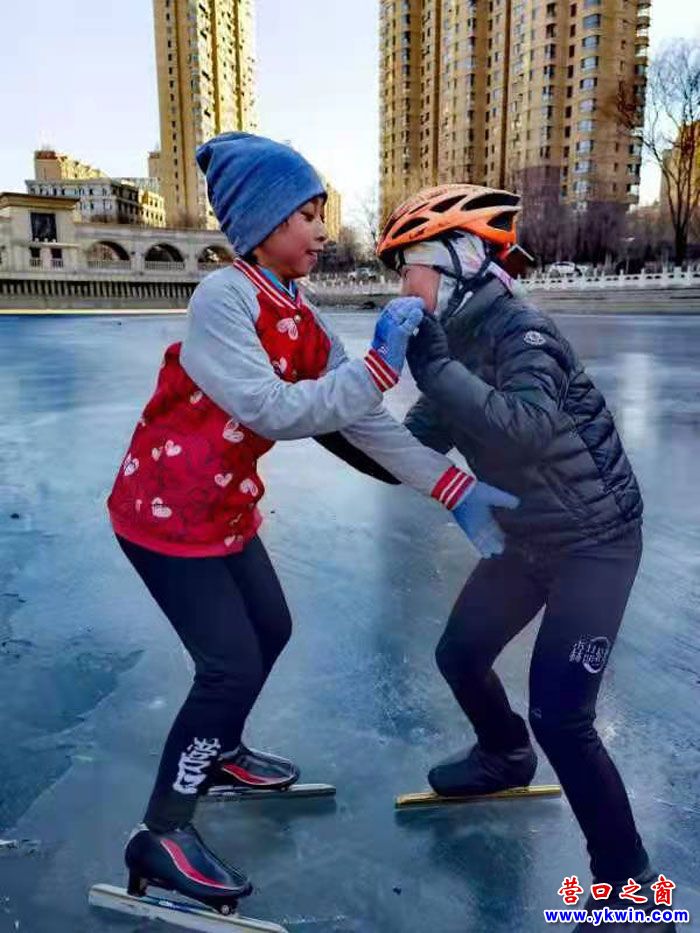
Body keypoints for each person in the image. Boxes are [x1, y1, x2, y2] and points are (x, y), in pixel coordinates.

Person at [106, 137, 517, 910]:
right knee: (227, 664)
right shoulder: (222, 300)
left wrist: (453, 486)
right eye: (306, 213)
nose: (322, 230)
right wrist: (376, 367)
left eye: (322, 212)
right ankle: (161, 830)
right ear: (262, 223)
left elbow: (362, 421)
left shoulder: (301, 313)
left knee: (271, 626)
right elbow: (271, 409)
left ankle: (218, 748)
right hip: (163, 513)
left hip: (222, 511)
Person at [372, 184, 673, 932]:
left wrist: (433, 367)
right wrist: (322, 408)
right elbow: (405, 453)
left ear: (459, 261)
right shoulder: (456, 346)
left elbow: (527, 427)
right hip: (528, 538)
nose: (403, 288)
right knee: (459, 653)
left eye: (410, 268)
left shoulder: (522, 333)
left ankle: (629, 887)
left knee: (562, 716)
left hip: (597, 542)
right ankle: (504, 755)